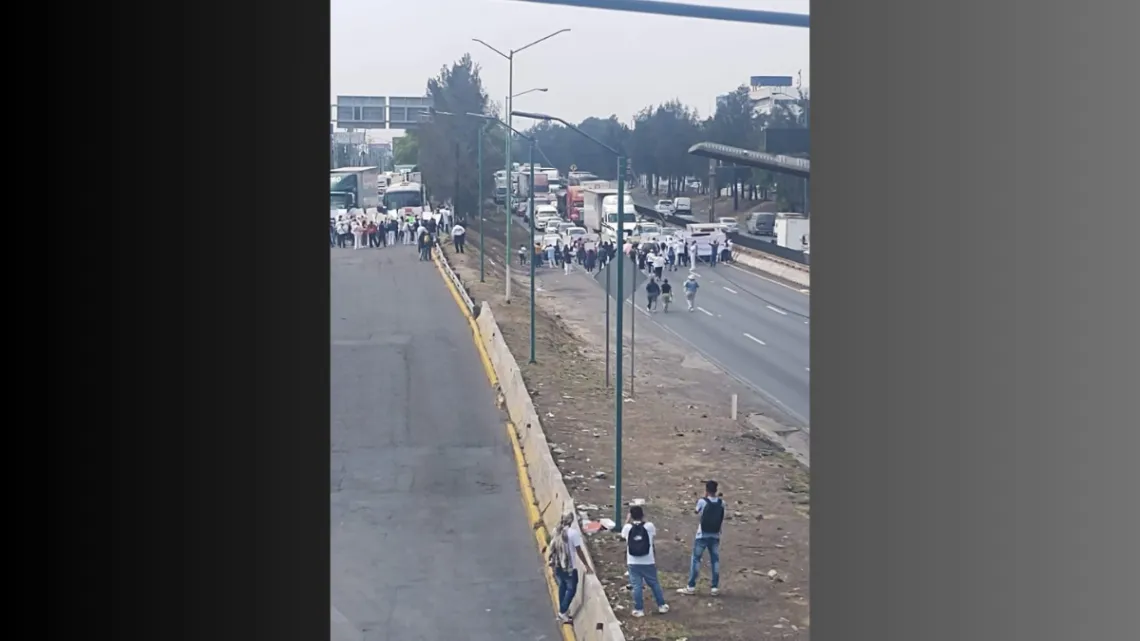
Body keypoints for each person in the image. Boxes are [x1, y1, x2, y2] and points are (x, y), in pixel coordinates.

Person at [678, 480, 725, 596]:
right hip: (715, 535)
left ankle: (691, 586)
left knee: (696, 559)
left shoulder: (702, 502)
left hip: (702, 535)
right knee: (715, 560)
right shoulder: (721, 503)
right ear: (716, 490)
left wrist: (703, 498)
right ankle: (714, 587)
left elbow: (696, 511)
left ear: (706, 490)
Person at [621, 505, 669, 618]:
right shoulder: (649, 526)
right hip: (648, 560)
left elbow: (622, 535)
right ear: (642, 515)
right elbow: (653, 535)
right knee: (654, 583)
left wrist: (627, 520)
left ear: (631, 516)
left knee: (636, 586)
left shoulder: (627, 528)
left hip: (633, 561)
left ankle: (639, 609)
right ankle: (662, 605)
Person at [546, 512, 594, 624]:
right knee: (571, 589)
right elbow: (579, 550)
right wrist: (586, 564)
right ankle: (562, 612)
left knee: (562, 586)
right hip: (568, 567)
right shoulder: (573, 533)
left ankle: (562, 611)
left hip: (558, 565)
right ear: (571, 521)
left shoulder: (556, 530)